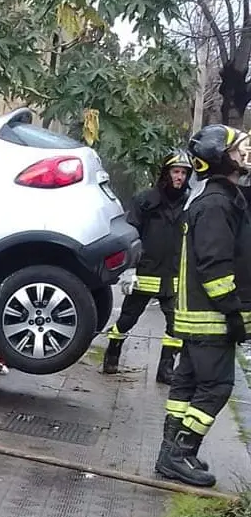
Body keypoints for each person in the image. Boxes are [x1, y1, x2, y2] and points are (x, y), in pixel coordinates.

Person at [154, 125, 250, 487]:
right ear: (218, 157)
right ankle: (180, 452)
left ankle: (171, 453)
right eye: (237, 150)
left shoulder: (215, 197)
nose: (243, 155)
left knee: (186, 385)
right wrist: (232, 310)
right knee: (217, 387)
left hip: (199, 315)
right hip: (211, 317)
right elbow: (215, 264)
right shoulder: (215, 204)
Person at [102, 149, 193, 383]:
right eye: (175, 171)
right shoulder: (145, 201)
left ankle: (165, 370)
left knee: (176, 326)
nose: (179, 177)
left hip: (173, 278)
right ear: (166, 173)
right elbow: (130, 234)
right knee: (127, 320)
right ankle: (112, 353)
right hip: (145, 274)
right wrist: (129, 269)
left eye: (184, 173)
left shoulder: (190, 204)